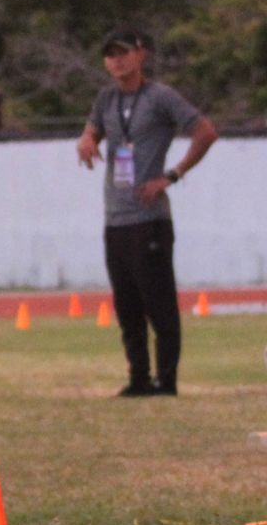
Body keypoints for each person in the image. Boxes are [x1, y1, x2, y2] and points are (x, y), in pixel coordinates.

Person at [76, 26, 218, 397]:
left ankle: (165, 379)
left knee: (158, 303)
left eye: (123, 52)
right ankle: (138, 377)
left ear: (141, 54)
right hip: (116, 217)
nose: (116, 60)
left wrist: (171, 175)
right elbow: (92, 130)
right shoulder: (106, 99)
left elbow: (205, 132)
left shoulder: (160, 97)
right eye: (110, 54)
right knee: (127, 305)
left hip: (149, 218)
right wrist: (87, 140)